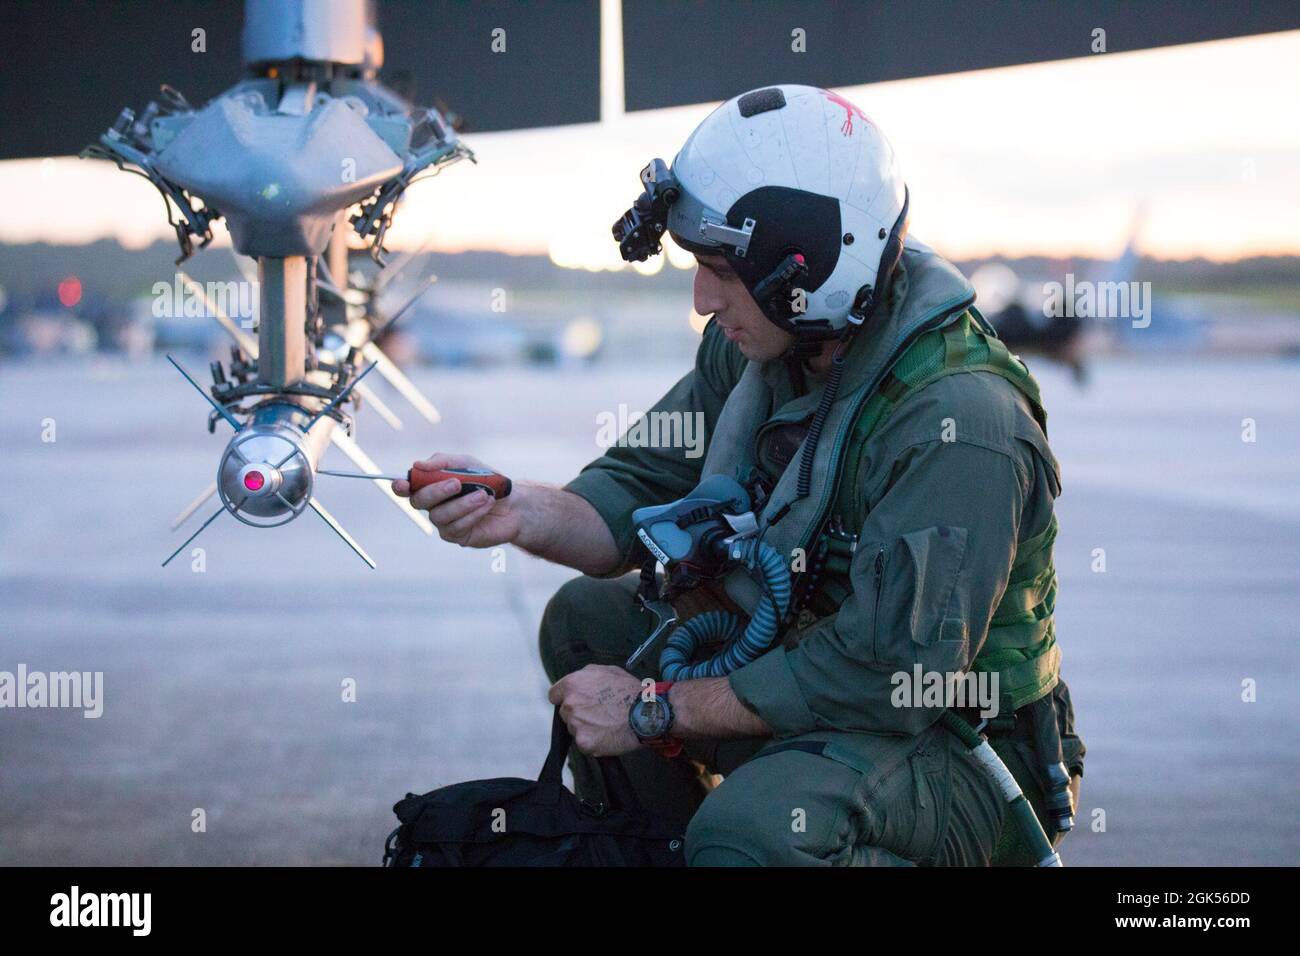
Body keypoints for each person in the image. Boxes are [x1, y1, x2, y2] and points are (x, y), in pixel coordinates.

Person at [395, 84, 1084, 866]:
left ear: (813, 267)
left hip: (956, 744)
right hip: (814, 676)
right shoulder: (766, 346)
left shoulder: (959, 423)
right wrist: (517, 508)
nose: (701, 298)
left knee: (753, 835)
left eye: (719, 268)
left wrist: (654, 711)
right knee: (589, 620)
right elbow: (636, 484)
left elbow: (884, 675)